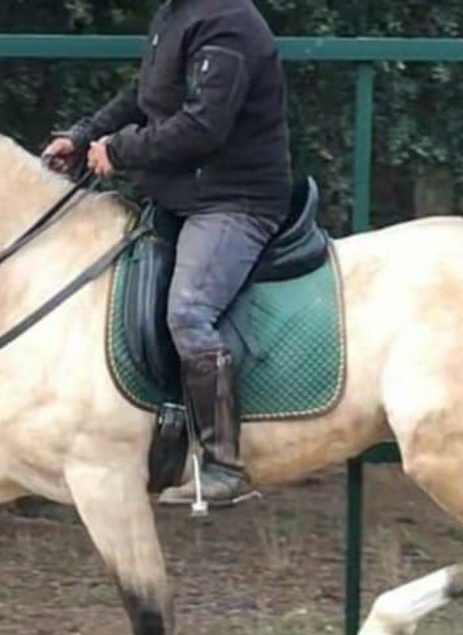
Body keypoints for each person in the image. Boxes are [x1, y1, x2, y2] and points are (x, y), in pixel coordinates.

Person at [43, 0, 291, 508]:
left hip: (234, 200)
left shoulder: (228, 23)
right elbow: (147, 98)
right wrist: (84, 135)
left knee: (189, 311)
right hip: (183, 195)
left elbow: (203, 127)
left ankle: (224, 465)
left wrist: (120, 151)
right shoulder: (175, 14)